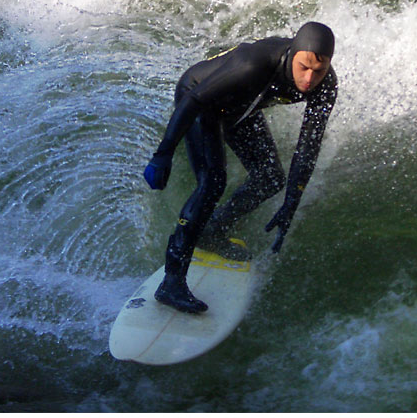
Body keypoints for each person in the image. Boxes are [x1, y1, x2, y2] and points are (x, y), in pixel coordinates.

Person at [143, 21, 338, 314]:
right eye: (303, 67)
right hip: (200, 99)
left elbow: (308, 147)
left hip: (241, 107)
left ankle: (213, 231)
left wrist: (291, 203)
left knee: (271, 177)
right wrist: (163, 154)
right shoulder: (253, 64)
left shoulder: (326, 87)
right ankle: (171, 281)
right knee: (212, 183)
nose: (309, 78)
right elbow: (194, 99)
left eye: (318, 71)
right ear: (293, 53)